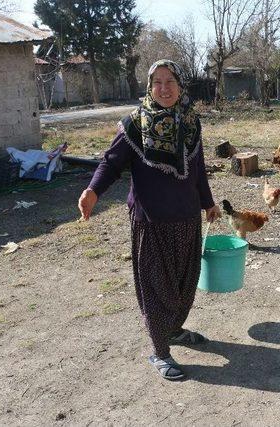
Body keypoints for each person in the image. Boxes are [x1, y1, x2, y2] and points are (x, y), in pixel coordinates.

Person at [78, 60, 221, 381]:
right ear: (149, 86)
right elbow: (111, 163)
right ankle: (160, 351)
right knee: (157, 288)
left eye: (170, 81)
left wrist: (208, 203)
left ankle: (173, 330)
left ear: (181, 86)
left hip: (186, 219)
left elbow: (196, 169)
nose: (164, 88)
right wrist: (92, 191)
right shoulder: (134, 125)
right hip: (151, 222)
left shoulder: (191, 123)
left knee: (185, 284)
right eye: (157, 82)